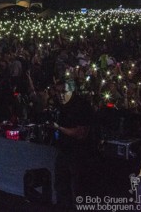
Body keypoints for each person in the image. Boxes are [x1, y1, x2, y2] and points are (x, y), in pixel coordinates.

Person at [52, 78, 94, 208]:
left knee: (78, 188)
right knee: (61, 185)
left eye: (64, 91)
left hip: (79, 153)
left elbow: (81, 133)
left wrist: (59, 128)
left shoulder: (82, 106)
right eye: (58, 92)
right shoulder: (61, 105)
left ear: (72, 91)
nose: (60, 95)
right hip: (64, 150)